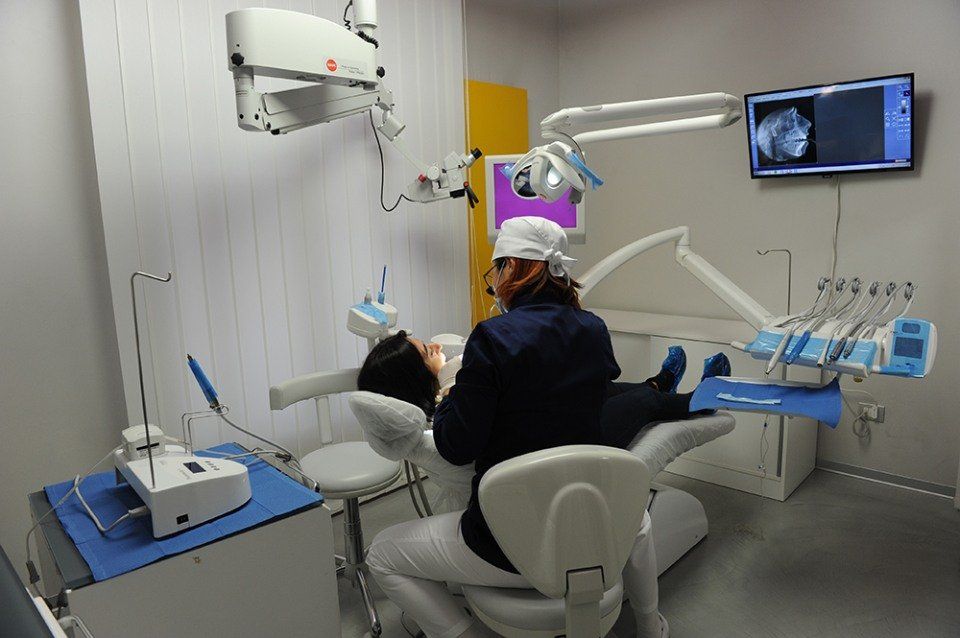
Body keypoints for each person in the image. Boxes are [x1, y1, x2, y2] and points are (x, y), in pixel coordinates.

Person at [360, 216, 729, 638]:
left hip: (505, 548)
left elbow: (457, 447)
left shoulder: (491, 339)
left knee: (383, 555)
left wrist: (450, 384)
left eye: (495, 271)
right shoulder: (592, 328)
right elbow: (593, 385)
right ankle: (651, 625)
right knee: (637, 518)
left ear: (511, 269)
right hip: (593, 530)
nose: (493, 282)